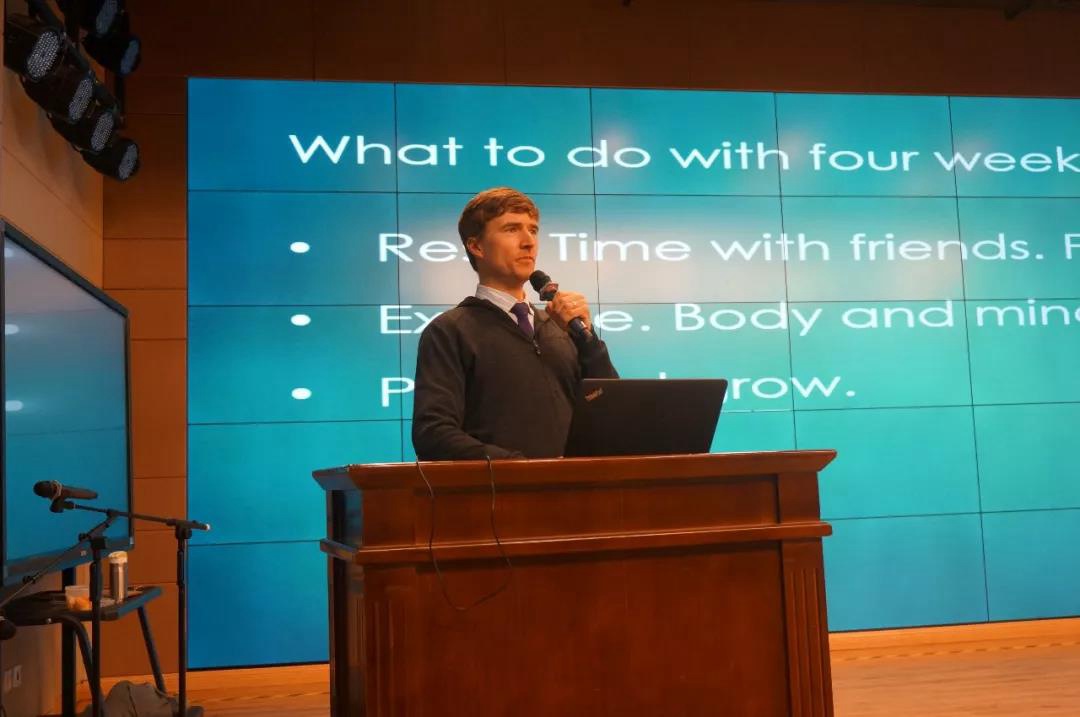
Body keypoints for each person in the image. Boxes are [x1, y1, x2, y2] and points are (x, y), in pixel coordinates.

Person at [412, 187, 618, 460]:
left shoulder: (562, 328)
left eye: (533, 230)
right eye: (511, 229)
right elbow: (433, 434)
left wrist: (588, 341)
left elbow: (613, 413)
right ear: (476, 246)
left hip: (575, 486)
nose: (529, 242)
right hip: (503, 486)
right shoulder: (450, 330)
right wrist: (518, 467)